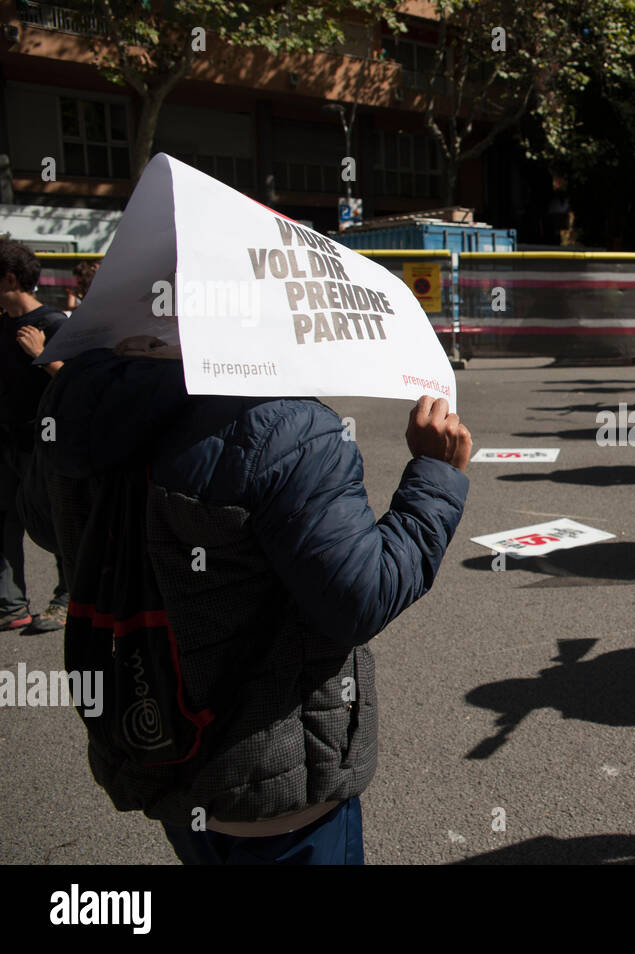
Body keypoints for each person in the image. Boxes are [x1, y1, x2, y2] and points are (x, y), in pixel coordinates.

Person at [22, 334, 472, 865]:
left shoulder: (77, 396)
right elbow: (358, 599)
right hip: (278, 780)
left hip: (156, 744)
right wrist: (435, 475)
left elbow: (48, 526)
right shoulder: (288, 425)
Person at [0, 238, 68, 633]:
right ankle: (11, 604)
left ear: (10, 278)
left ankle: (66, 598)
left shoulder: (53, 324)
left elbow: (78, 385)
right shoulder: (2, 325)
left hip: (42, 443)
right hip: (5, 441)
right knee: (4, 521)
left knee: (55, 521)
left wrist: (42, 356)